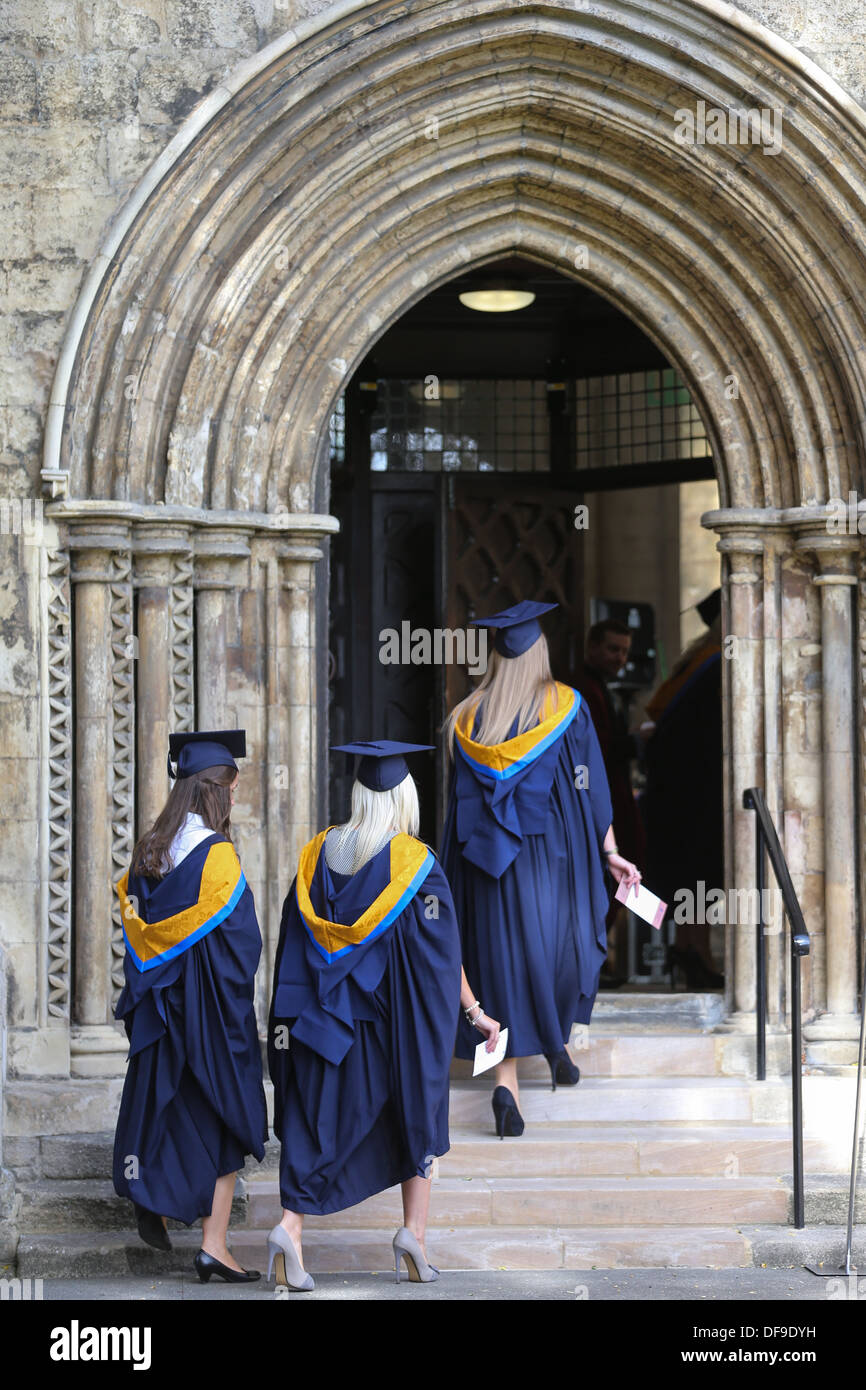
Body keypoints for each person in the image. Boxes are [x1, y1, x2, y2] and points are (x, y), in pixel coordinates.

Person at [267, 741, 499, 1290]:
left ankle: (290, 1230)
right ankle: (413, 1236)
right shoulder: (414, 865)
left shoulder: (314, 855)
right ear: (403, 798)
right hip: (383, 1029)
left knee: (317, 1120)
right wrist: (475, 1012)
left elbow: (293, 946)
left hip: (321, 1023)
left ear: (358, 795)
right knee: (414, 1105)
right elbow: (441, 961)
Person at [441, 601, 641, 1137]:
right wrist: (610, 851)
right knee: (560, 953)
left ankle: (508, 1085)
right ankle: (554, 1044)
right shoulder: (567, 706)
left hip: (486, 867)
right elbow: (591, 785)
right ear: (540, 651)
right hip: (553, 863)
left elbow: (457, 809)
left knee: (498, 967)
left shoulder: (464, 718)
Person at [113, 729, 268, 1285]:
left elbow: (142, 936)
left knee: (170, 1108)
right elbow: (239, 943)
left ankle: (150, 1190)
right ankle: (214, 1245)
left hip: (162, 1016)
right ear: (214, 793)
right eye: (231, 788)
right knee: (227, 1120)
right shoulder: (218, 858)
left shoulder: (148, 851)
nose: (235, 798)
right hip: (208, 1017)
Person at [639, 589, 724, 988]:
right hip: (696, 792)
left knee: (691, 877)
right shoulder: (712, 665)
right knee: (700, 874)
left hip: (678, 791)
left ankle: (690, 951)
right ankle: (697, 955)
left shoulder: (694, 661)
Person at [577, 618, 647, 983]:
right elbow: (596, 749)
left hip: (613, 789)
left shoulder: (603, 687)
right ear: (592, 648)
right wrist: (635, 742)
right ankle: (592, 955)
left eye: (624, 651)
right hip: (600, 793)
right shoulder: (585, 689)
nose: (619, 658)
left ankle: (598, 953)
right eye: (612, 649)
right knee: (606, 872)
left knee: (621, 869)